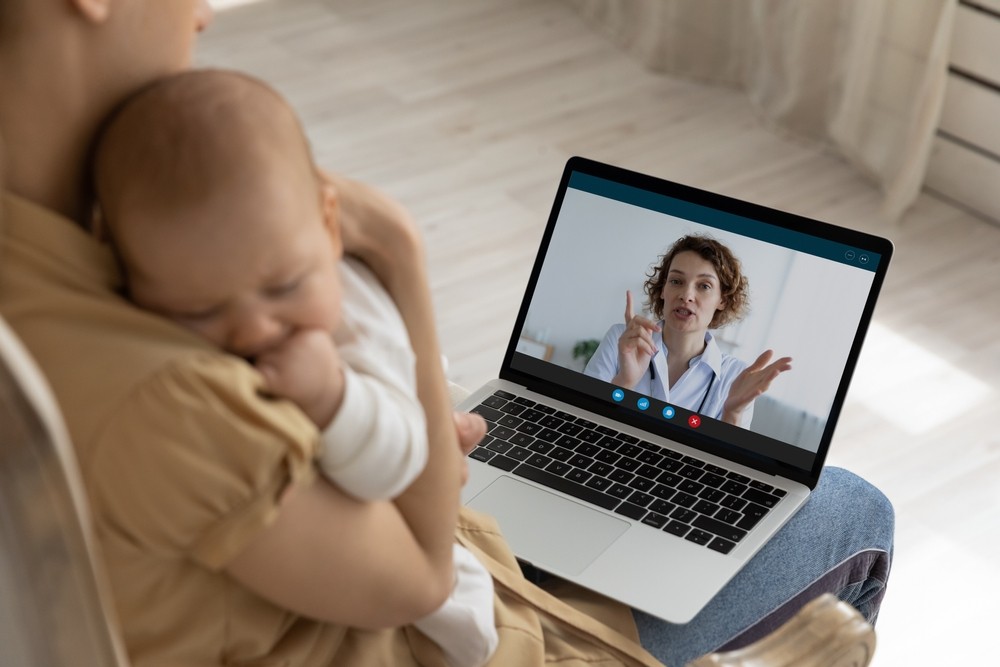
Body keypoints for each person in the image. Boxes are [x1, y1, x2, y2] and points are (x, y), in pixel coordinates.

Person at [0, 2, 893, 666]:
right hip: (473, 633)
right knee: (855, 507)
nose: (198, 13)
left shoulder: (60, 254)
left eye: (706, 287)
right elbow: (422, 575)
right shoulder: (153, 394)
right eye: (679, 283)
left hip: (449, 548)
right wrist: (397, 248)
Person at [90, 68, 498, 667]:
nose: (254, 329)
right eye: (198, 310)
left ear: (329, 225)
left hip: (445, 623)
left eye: (283, 286)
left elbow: (396, 468)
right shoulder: (174, 393)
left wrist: (335, 396)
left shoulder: (354, 321)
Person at [585, 235, 792, 428]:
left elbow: (722, 465)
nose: (686, 295)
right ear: (663, 289)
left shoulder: (735, 376)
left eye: (704, 286)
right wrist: (625, 382)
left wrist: (733, 414)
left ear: (723, 300)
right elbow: (585, 425)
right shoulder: (622, 341)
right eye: (676, 281)